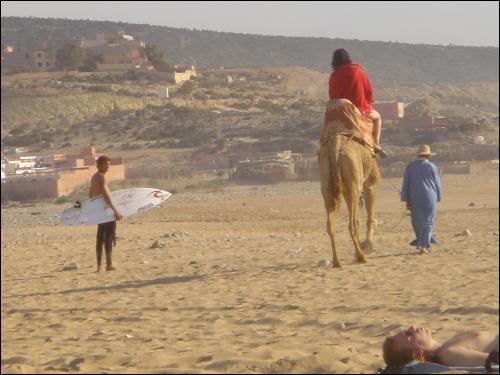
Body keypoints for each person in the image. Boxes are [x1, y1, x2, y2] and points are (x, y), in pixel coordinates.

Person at [328, 48, 385, 156]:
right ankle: (376, 144)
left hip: (341, 114)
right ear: (348, 58)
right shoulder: (357, 71)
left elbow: (332, 97)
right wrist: (367, 101)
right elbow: (368, 89)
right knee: (377, 118)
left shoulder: (334, 75)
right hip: (358, 110)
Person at [383, 325, 499, 369]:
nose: (413, 327)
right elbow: (492, 362)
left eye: (407, 330)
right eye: (409, 334)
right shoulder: (449, 354)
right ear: (417, 354)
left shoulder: (447, 346)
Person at [401, 144, 441, 255]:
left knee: (416, 222)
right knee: (428, 222)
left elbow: (406, 184)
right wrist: (438, 197)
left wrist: (406, 199)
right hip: (430, 197)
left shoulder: (410, 166)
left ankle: (421, 242)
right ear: (428, 155)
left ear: (418, 154)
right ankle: (423, 244)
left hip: (414, 198)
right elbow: (437, 184)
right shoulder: (433, 167)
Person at [89, 155, 122, 272]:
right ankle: (109, 264)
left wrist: (93, 210)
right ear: (100, 164)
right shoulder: (102, 177)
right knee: (108, 238)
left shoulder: (93, 177)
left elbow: (90, 194)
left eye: (109, 165)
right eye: (106, 164)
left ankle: (99, 266)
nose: (108, 167)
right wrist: (115, 211)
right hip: (106, 210)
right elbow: (106, 196)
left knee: (100, 238)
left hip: (99, 210)